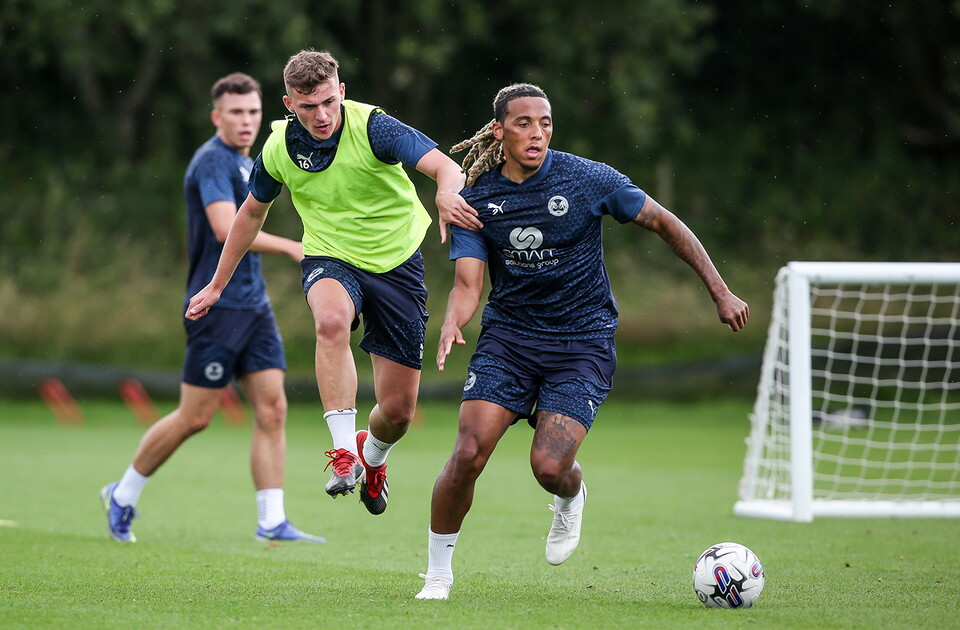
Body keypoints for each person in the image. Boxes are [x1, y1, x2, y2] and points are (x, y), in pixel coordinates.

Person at [414, 83, 750, 600]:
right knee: (469, 451)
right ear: (499, 130)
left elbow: (664, 222)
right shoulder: (477, 198)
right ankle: (437, 574)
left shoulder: (587, 179)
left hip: (582, 343)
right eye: (524, 123)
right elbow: (467, 284)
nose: (537, 133)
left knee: (548, 468)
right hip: (510, 342)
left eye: (545, 122)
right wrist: (454, 321)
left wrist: (720, 290)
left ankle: (570, 496)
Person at [186, 50, 482, 517]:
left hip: (396, 264)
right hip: (330, 256)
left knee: (399, 413)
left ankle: (372, 455)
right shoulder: (280, 148)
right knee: (330, 321)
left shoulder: (375, 128)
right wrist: (217, 285)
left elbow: (447, 167)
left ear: (341, 92)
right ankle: (344, 454)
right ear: (289, 104)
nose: (321, 115)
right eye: (307, 107)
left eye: (327, 102)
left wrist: (447, 191)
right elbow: (250, 215)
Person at [100, 72, 323, 544]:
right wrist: (292, 247)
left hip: (254, 307)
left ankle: (271, 521)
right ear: (216, 117)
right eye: (236, 113)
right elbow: (226, 229)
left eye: (253, 112)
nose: (246, 121)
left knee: (273, 410)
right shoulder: (211, 163)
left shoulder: (253, 161)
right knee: (195, 417)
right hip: (214, 307)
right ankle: (122, 494)